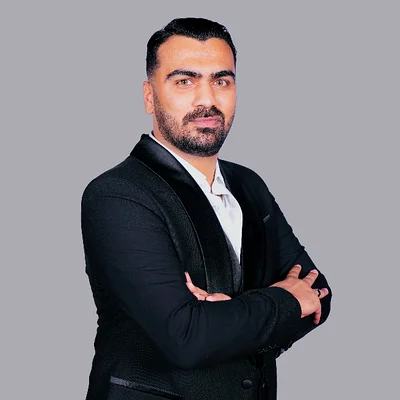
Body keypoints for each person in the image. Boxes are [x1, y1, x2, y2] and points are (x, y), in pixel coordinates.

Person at [81, 17, 332, 400]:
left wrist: (230, 316)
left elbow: (320, 293)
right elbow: (187, 339)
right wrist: (286, 301)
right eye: (185, 81)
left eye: (222, 81)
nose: (207, 99)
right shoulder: (117, 195)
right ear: (149, 96)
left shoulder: (249, 184)